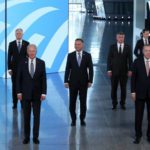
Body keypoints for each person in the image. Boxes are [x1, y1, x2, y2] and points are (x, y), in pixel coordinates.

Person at [16, 44, 47, 144]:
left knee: (36, 116)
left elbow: (44, 79)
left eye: (33, 51)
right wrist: (19, 92)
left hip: (38, 95)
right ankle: (26, 137)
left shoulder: (41, 63)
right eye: (30, 51)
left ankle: (35, 137)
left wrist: (44, 93)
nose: (32, 53)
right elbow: (18, 79)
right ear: (27, 52)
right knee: (26, 116)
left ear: (36, 51)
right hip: (25, 94)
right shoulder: (21, 62)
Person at [64, 38, 93, 126]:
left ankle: (82, 119)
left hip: (84, 83)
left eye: (78, 44)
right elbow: (67, 69)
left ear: (82, 45)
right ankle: (73, 119)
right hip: (72, 82)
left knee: (83, 102)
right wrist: (66, 81)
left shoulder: (87, 55)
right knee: (72, 102)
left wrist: (90, 80)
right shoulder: (70, 55)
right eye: (75, 44)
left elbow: (91, 69)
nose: (76, 46)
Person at [107, 32, 132, 110]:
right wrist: (109, 70)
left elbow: (130, 60)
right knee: (113, 88)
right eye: (119, 37)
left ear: (124, 38)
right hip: (114, 72)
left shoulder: (128, 47)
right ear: (116, 38)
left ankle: (122, 103)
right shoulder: (112, 47)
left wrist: (130, 70)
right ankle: (114, 104)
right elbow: (109, 59)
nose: (121, 38)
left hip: (124, 72)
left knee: (123, 89)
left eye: (122, 37)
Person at [131, 45, 150, 144]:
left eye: (149, 51)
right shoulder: (137, 62)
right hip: (139, 93)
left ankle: (149, 135)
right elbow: (133, 78)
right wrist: (133, 92)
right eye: (146, 51)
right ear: (143, 52)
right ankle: (138, 135)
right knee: (138, 116)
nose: (148, 52)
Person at [8, 28, 29, 109]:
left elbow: (28, 57)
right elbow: (9, 57)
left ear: (22, 34)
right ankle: (15, 103)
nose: (19, 35)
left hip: (24, 69)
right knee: (15, 86)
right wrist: (9, 68)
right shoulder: (11, 44)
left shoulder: (27, 43)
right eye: (17, 33)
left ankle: (23, 103)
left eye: (20, 33)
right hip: (14, 70)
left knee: (23, 86)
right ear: (15, 35)